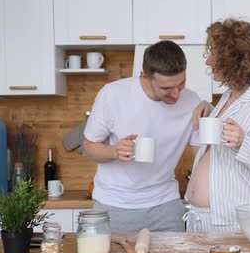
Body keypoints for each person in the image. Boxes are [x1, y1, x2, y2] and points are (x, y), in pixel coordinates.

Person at [83, 40, 210, 232]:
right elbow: (88, 149)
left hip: (165, 205)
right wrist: (114, 151)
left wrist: (212, 111)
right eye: (166, 88)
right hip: (113, 204)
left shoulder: (191, 101)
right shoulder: (112, 95)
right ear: (144, 76)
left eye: (181, 84)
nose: (176, 95)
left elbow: (203, 155)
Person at [185, 18, 250, 232]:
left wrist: (243, 143)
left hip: (230, 221)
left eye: (213, 54)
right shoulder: (226, 98)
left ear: (232, 60)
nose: (208, 62)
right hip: (199, 220)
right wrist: (209, 108)